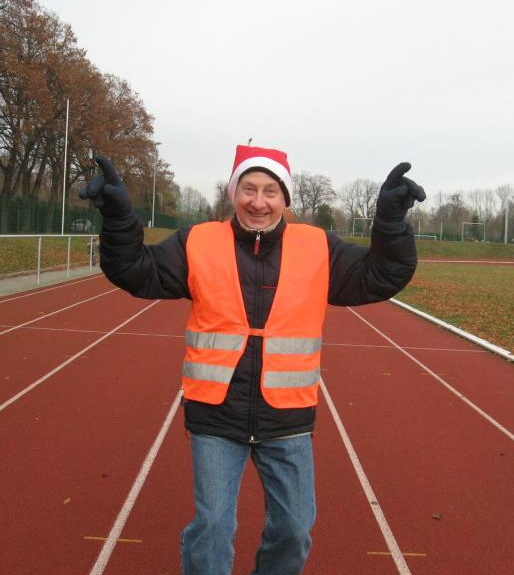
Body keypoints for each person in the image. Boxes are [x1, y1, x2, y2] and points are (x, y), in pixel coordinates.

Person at [80, 144, 425, 575]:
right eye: (248, 189)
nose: (258, 202)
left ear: (285, 198)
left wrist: (390, 223)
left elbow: (381, 275)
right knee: (212, 527)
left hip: (287, 419)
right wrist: (118, 218)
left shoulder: (319, 247)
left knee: (294, 530)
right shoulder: (198, 242)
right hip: (216, 415)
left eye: (270, 191)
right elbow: (136, 269)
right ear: (233, 193)